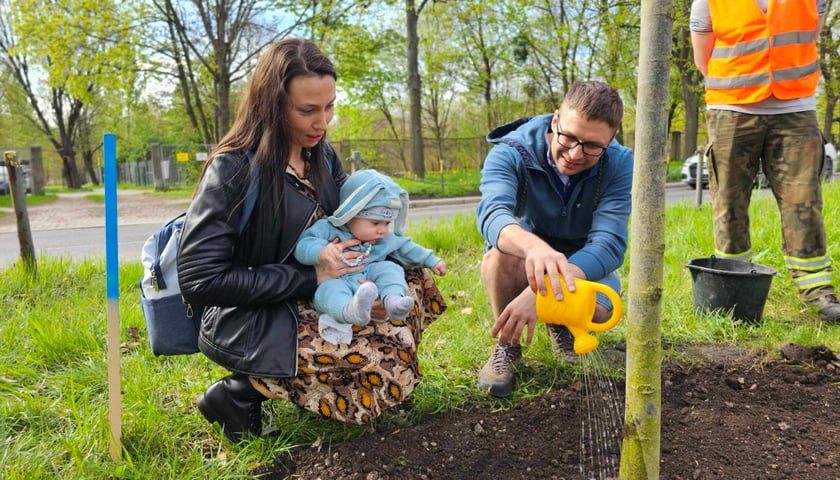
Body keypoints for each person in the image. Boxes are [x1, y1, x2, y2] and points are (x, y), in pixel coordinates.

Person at [176, 38, 446, 442]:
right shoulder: (233, 168)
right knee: (382, 358)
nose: (323, 122)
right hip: (254, 312)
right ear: (272, 105)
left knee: (411, 280)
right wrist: (311, 278)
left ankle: (328, 380)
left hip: (324, 288)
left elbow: (350, 224)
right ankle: (240, 393)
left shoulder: (321, 154)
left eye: (330, 106)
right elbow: (199, 280)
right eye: (308, 110)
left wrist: (368, 268)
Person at [474, 80, 633, 397]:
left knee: (602, 311)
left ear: (611, 139)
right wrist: (534, 248)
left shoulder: (618, 162)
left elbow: (609, 242)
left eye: (592, 146)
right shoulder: (511, 151)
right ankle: (508, 345)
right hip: (525, 260)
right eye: (569, 137)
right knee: (498, 257)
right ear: (555, 120)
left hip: (579, 262)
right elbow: (492, 214)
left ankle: (561, 324)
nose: (574, 154)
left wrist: (546, 289)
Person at [690, 0, 840, 323]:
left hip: (795, 108)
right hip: (732, 108)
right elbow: (703, 58)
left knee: (804, 201)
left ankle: (817, 291)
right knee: (729, 203)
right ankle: (733, 291)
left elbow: (810, 34)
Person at [294, 169, 447, 345]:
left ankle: (394, 300)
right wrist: (321, 252)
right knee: (328, 291)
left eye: (387, 223)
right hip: (337, 280)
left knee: (391, 269)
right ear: (350, 214)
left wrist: (432, 260)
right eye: (375, 223)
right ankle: (351, 310)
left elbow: (406, 247)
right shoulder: (328, 229)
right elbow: (303, 246)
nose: (382, 230)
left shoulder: (383, 238)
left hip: (369, 275)